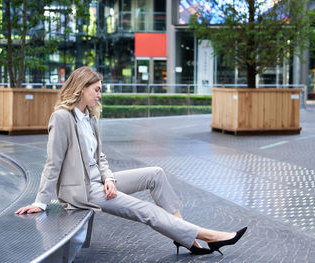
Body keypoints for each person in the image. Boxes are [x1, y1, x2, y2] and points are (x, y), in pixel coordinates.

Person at [15, 67, 246, 258]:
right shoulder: (63, 118)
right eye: (96, 90)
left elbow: (100, 158)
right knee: (146, 210)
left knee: (155, 174)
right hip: (82, 191)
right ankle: (210, 236)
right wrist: (41, 202)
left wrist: (109, 179)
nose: (99, 95)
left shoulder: (90, 118)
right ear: (81, 88)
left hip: (99, 182)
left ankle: (182, 233)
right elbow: (53, 163)